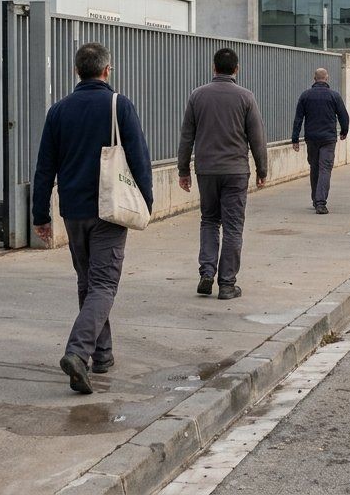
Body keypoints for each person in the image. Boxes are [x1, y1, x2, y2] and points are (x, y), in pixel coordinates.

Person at [33, 42, 153, 394]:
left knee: (88, 281)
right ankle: (78, 351)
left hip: (74, 210)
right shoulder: (119, 105)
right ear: (106, 70)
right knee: (104, 284)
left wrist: (41, 214)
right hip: (110, 208)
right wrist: (145, 202)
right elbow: (139, 158)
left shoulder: (58, 111)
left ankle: (102, 354)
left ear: (77, 71)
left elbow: (44, 168)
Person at [178, 48, 267, 301]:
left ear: (213, 68)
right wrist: (262, 170)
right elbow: (257, 137)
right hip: (236, 171)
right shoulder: (246, 97)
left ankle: (207, 272)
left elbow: (187, 136)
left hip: (206, 170)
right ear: (236, 69)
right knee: (233, 227)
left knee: (209, 220)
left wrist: (183, 170)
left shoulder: (197, 95)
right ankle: (227, 284)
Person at [291, 68, 349, 214]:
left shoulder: (305, 95)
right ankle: (321, 202)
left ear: (314, 78)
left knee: (315, 167)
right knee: (325, 169)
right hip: (328, 138)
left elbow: (298, 119)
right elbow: (344, 116)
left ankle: (315, 198)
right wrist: (344, 131)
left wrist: (295, 139)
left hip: (311, 138)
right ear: (327, 78)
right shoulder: (334, 96)